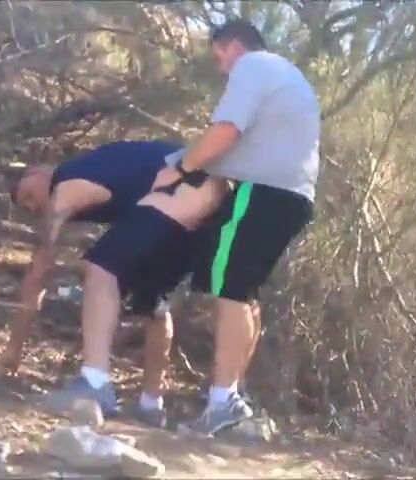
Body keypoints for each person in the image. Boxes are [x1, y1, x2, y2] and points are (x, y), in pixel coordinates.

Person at [154, 19, 320, 435]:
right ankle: (232, 398)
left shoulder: (252, 66)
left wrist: (180, 168)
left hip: (262, 193)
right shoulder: (285, 74)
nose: (222, 68)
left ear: (231, 46)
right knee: (245, 293)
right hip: (294, 196)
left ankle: (222, 401)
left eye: (219, 58)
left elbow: (226, 130)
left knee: (229, 290)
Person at [0, 139, 199, 428]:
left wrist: (14, 348)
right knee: (153, 299)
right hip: (204, 200)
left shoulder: (66, 181)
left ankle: (94, 383)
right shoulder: (100, 168)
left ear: (38, 171)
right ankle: (151, 405)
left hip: (176, 189)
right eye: (27, 208)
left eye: (28, 194)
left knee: (101, 268)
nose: (32, 205)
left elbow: (39, 272)